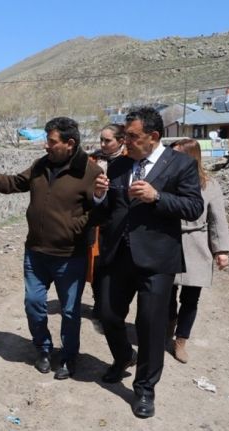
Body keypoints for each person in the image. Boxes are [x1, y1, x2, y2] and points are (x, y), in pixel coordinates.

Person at [0, 117, 102, 380]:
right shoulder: (40, 165)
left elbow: (99, 212)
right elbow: (13, 183)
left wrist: (74, 228)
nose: (46, 146)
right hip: (36, 253)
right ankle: (43, 349)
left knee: (70, 311)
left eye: (51, 141)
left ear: (70, 143)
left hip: (70, 256)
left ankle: (69, 357)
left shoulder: (90, 172)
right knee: (34, 304)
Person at [92, 107, 203, 418]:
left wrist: (158, 197)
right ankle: (123, 356)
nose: (125, 141)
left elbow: (193, 207)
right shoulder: (119, 165)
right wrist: (98, 196)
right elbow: (105, 211)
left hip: (157, 259)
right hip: (118, 255)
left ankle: (144, 388)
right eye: (124, 135)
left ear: (153, 136)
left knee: (151, 326)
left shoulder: (180, 164)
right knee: (107, 314)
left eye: (132, 136)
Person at [167, 138, 229, 363]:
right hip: (169, 242)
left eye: (176, 154)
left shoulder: (209, 185)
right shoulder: (167, 179)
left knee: (191, 298)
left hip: (197, 244)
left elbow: (217, 220)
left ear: (190, 157)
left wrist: (221, 251)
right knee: (166, 294)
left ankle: (181, 340)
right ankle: (169, 322)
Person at [86, 124, 127, 330]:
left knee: (117, 266)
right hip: (97, 222)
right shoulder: (93, 161)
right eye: (101, 140)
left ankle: (112, 307)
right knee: (97, 264)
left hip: (120, 223)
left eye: (107, 140)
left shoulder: (130, 162)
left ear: (121, 141)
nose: (103, 144)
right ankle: (99, 304)